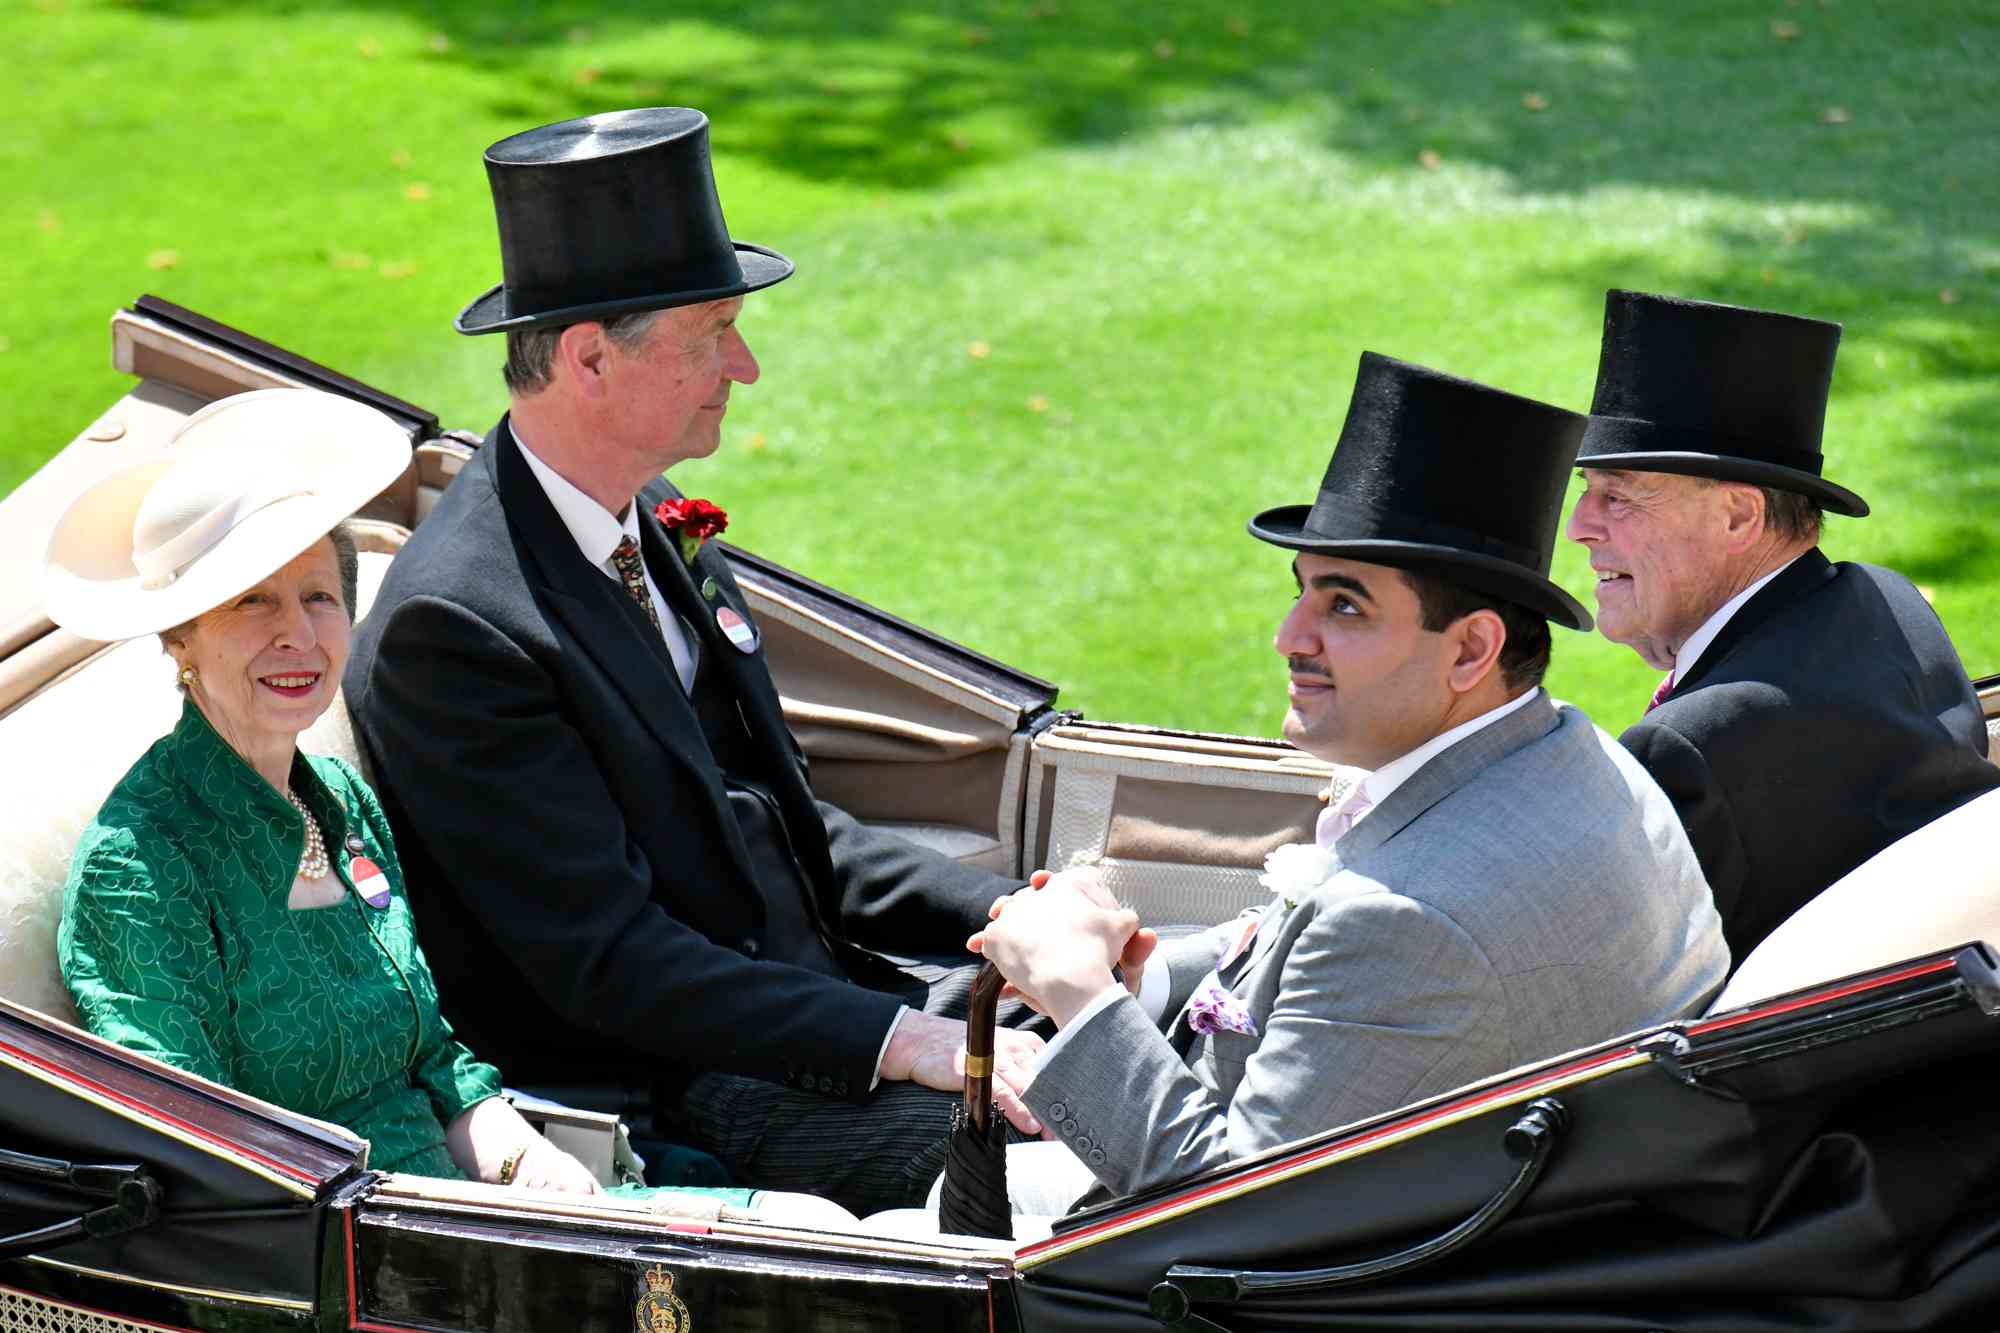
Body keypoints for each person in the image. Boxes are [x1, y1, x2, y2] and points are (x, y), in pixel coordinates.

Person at [343, 108, 1046, 1217]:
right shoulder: (458, 631)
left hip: (810, 1008)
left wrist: (1014, 912)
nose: (748, 365)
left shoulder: (652, 516)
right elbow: (610, 963)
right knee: (1070, 1161)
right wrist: (902, 1038)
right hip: (678, 1086)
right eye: (713, 330)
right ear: (587, 357)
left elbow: (781, 824)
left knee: (1139, 1030)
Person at [968, 353, 1730, 1213]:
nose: (1289, 637)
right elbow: (1334, 996)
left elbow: (1224, 1210)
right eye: (1302, 593)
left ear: (1473, 650)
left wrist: (1080, 993)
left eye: (1345, 606)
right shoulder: (1574, 757)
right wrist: (1138, 982)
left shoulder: (1411, 919)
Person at [45, 388, 738, 1200]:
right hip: (351, 1263)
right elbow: (205, 1160)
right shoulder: (140, 864)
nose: (297, 635)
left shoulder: (342, 800)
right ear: (180, 637)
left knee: (824, 1227)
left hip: (481, 1201)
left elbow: (434, 1060)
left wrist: (526, 1163)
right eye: (252, 601)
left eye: (318, 597)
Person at [1566, 289, 1999, 962]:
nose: (1578, 527)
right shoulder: (1889, 604)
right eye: (1584, 491)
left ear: (1739, 517)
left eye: (1616, 496)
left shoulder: (1686, 752)